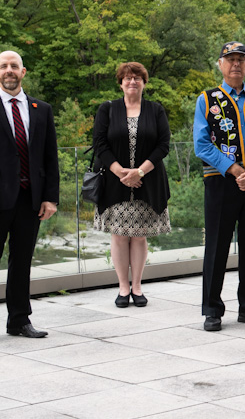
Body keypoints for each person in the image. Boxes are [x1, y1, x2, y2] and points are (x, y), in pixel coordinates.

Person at [0, 50, 59, 346]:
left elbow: (49, 158)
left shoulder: (41, 109)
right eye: (4, 66)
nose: (9, 70)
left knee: (22, 263)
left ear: (23, 71)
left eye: (14, 66)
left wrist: (50, 198)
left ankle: (19, 320)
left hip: (30, 200)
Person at [194, 41, 245, 331]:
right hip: (221, 183)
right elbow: (201, 144)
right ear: (220, 64)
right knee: (216, 246)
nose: (236, 64)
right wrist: (234, 168)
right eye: (230, 59)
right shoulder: (208, 99)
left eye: (241, 59)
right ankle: (212, 310)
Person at [92, 62, 171, 308]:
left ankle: (137, 286)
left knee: (139, 237)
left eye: (137, 78)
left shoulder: (156, 110)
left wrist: (139, 172)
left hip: (148, 182)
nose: (132, 82)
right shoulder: (107, 109)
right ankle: (122, 288)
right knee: (118, 236)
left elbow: (163, 145)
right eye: (127, 78)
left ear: (144, 82)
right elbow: (100, 144)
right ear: (121, 83)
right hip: (114, 183)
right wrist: (121, 173)